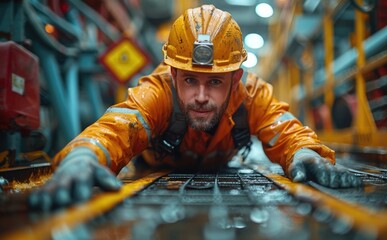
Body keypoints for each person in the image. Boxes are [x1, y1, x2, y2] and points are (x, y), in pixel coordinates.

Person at [29, 4, 361, 211]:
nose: (201, 96)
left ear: (236, 78)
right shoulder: (158, 92)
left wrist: (306, 154)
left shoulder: (251, 95)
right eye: (190, 80)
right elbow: (116, 128)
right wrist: (83, 156)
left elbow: (285, 129)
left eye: (215, 82)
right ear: (173, 74)